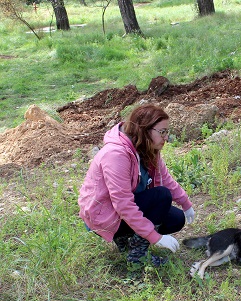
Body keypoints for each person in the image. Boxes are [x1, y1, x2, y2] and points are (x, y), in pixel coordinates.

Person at [78, 103, 195, 266]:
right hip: (104, 215)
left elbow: (165, 179)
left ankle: (126, 241)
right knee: (161, 196)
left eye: (167, 131)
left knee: (176, 218)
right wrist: (155, 237)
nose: (166, 137)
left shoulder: (147, 147)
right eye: (162, 132)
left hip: (120, 208)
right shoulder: (115, 155)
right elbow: (123, 203)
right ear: (145, 130)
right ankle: (137, 256)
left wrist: (185, 202)